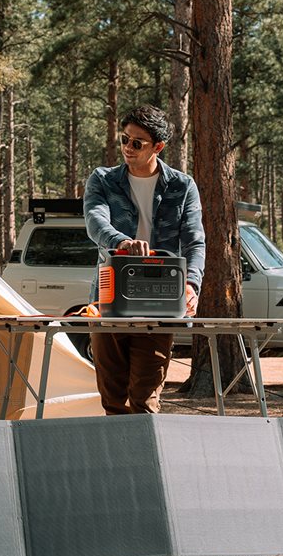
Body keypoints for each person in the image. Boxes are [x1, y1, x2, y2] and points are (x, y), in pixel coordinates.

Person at [83, 104, 205, 414]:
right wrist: (121, 243)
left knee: (145, 399)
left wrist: (190, 284)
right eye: (124, 139)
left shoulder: (183, 186)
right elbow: (96, 222)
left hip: (160, 302)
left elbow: (194, 241)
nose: (127, 148)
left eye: (137, 143)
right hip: (110, 299)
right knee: (112, 398)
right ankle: (116, 462)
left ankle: (145, 460)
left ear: (158, 147)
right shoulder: (103, 179)